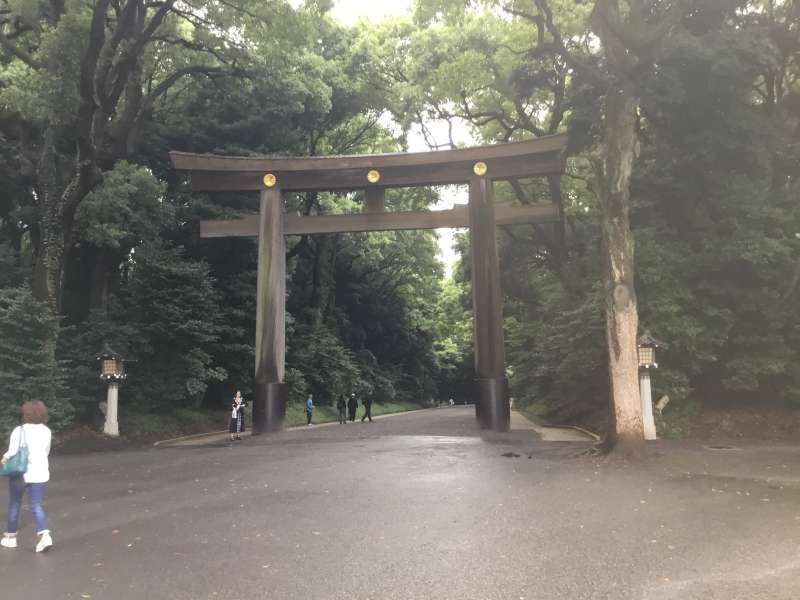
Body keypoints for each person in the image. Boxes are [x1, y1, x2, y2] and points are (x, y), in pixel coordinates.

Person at [1, 400, 53, 553]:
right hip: (40, 473)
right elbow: (46, 452)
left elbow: (12, 452)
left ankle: (10, 538)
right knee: (36, 505)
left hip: (20, 473)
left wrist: (4, 458)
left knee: (15, 503)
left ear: (26, 414)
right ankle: (45, 535)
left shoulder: (19, 430)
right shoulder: (46, 431)